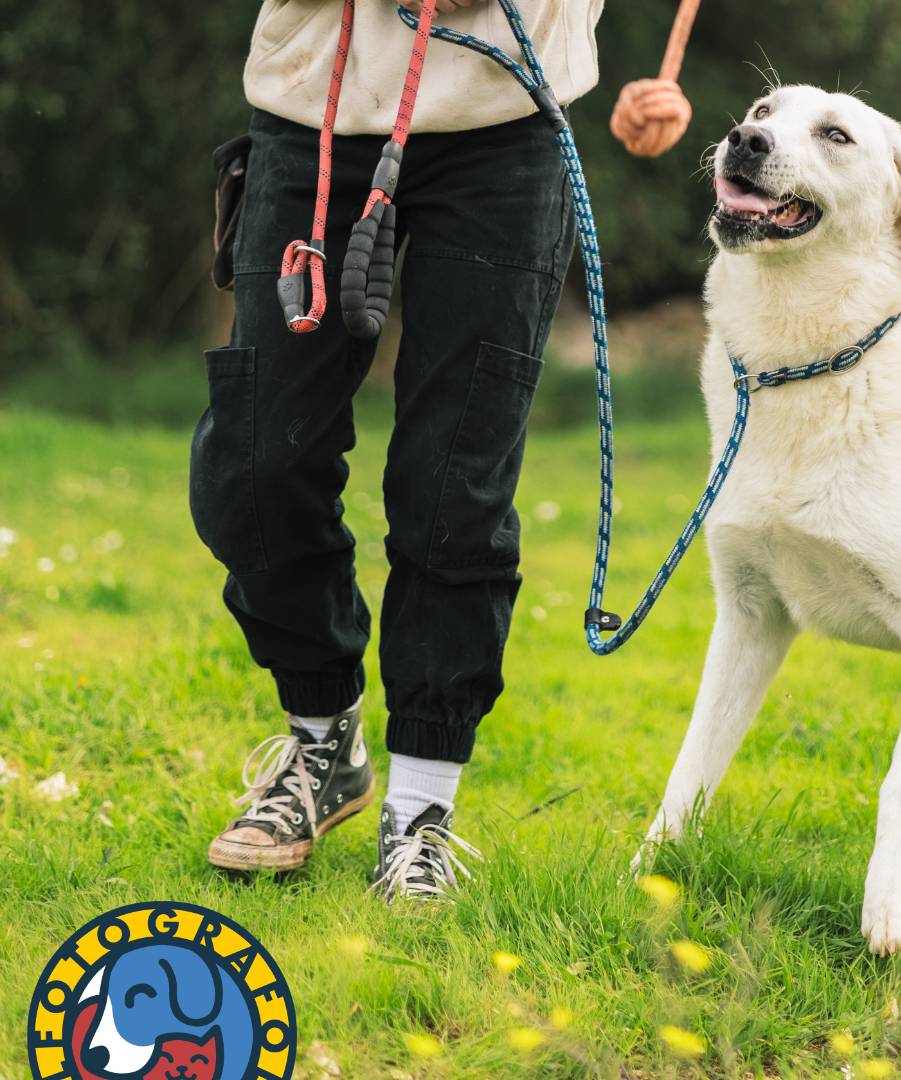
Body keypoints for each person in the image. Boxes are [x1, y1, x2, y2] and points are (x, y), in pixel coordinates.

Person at [191, 0, 600, 901]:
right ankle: (322, 744)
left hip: (507, 123)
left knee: (456, 481)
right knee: (255, 464)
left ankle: (420, 810)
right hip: (314, 108)